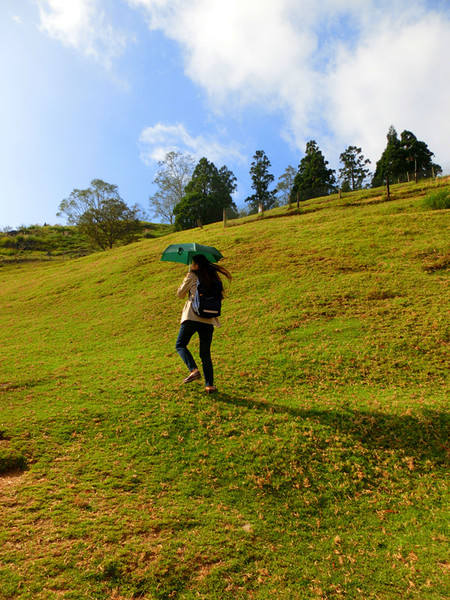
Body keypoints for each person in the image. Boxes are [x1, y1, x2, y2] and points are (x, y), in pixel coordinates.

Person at [175, 254, 231, 394]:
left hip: (192, 317)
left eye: (192, 263)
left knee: (180, 345)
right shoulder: (213, 277)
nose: (191, 264)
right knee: (205, 353)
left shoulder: (192, 276)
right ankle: (209, 385)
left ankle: (193, 370)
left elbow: (180, 294)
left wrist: (187, 277)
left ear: (197, 265)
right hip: (209, 319)